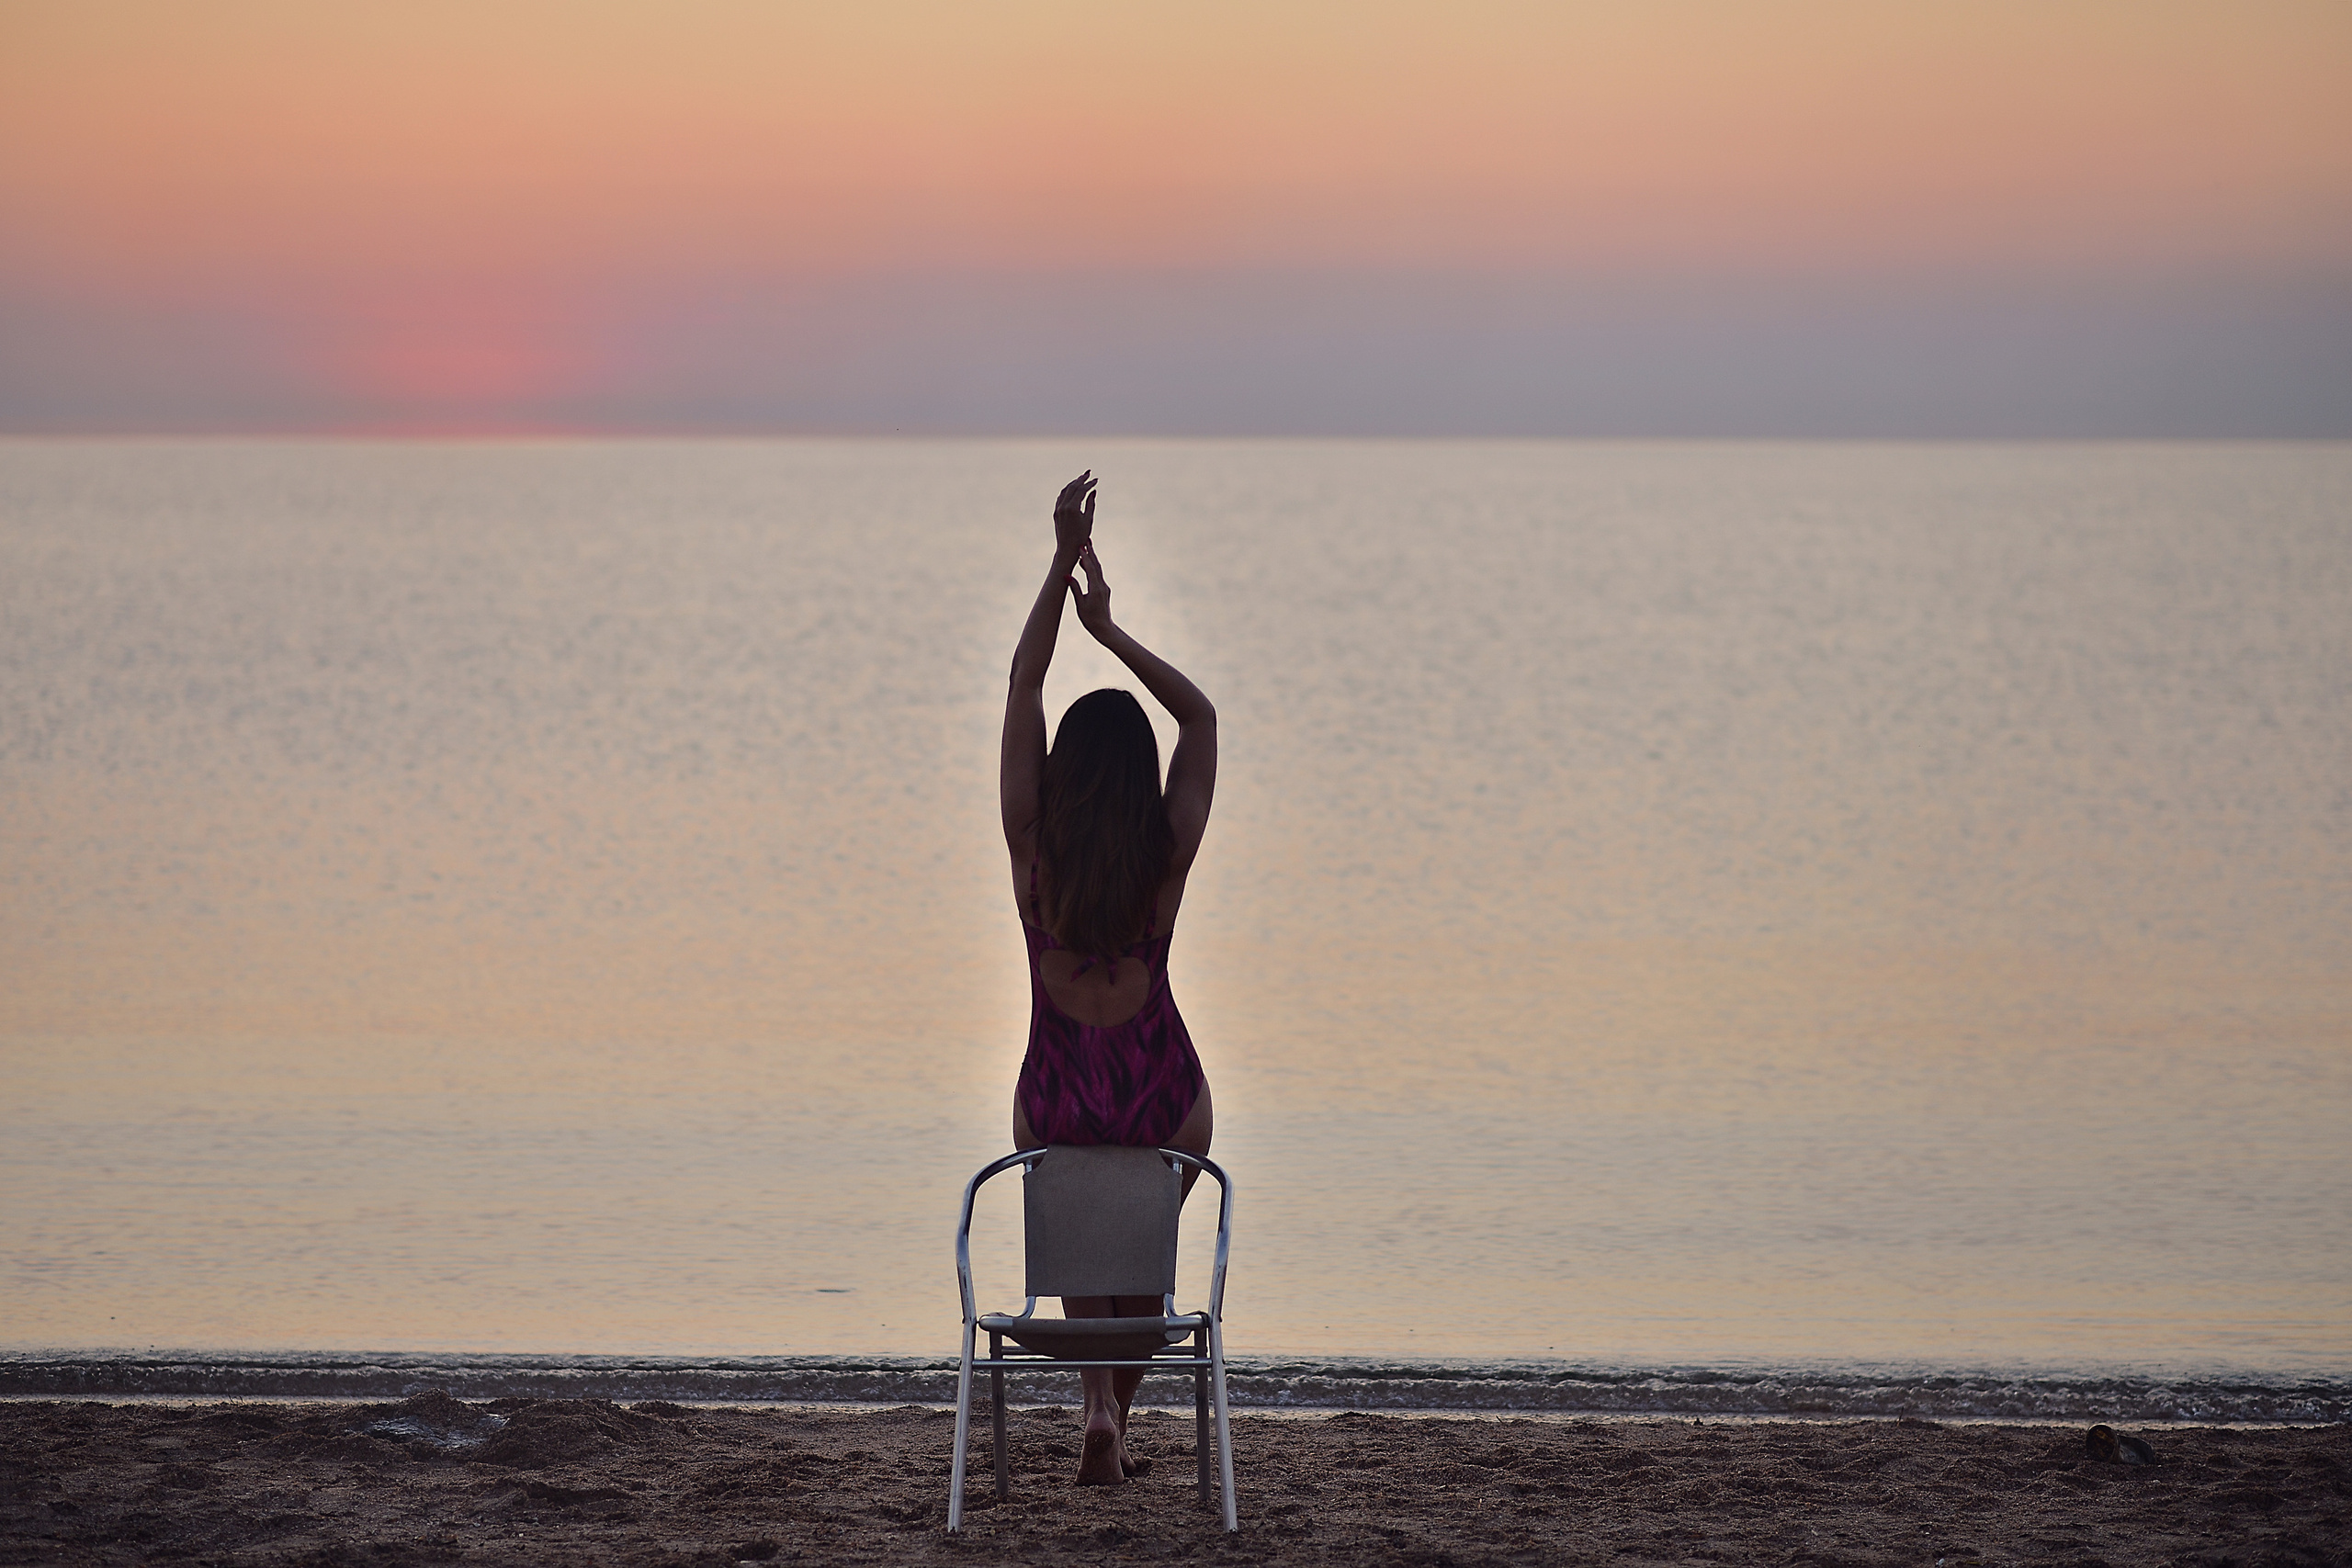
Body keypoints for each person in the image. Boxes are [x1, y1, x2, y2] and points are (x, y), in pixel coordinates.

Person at [1001, 470, 1217, 1487]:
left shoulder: (1033, 851)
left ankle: (1095, 1412)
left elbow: (1021, 691)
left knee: (1085, 1260)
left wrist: (1057, 563)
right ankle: (1112, 1421)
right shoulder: (1162, 860)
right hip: (1158, 1090)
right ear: (1136, 777)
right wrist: (1113, 632)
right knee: (1137, 1267)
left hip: (1056, 1088)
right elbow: (1202, 721)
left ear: (1062, 775)